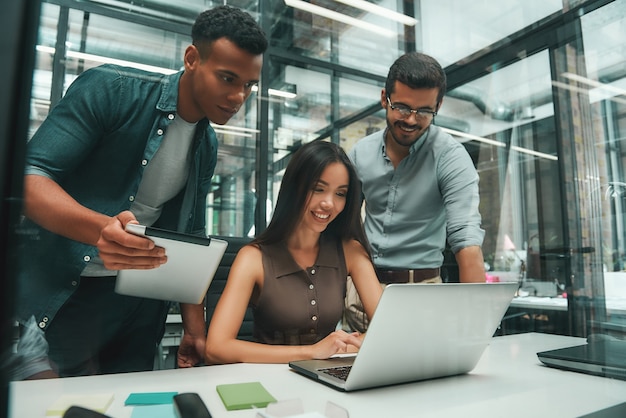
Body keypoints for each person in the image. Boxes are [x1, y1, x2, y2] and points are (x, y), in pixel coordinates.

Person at [14, 5, 267, 377]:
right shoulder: (112, 90)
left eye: (249, 85)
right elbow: (29, 177)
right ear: (192, 58)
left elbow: (191, 238)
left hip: (140, 305)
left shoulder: (207, 144)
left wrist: (195, 330)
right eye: (227, 78)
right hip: (70, 290)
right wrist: (101, 230)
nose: (238, 97)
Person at [344, 52, 486, 333]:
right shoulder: (361, 153)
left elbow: (466, 241)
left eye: (423, 111)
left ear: (438, 105)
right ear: (385, 98)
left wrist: (476, 329)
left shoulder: (450, 157)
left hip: (422, 295)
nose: (411, 119)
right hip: (361, 292)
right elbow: (342, 226)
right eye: (401, 107)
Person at [205, 141, 383, 364]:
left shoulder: (350, 250)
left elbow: (387, 329)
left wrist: (343, 346)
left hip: (325, 377)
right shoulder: (253, 258)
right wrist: (311, 352)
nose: (329, 203)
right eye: (318, 189)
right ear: (293, 187)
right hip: (265, 381)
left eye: (340, 193)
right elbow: (216, 347)